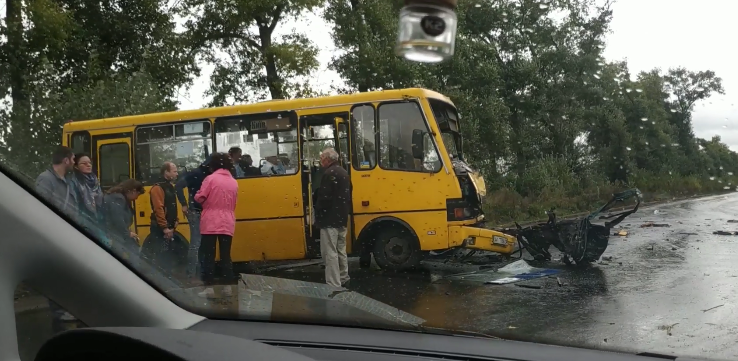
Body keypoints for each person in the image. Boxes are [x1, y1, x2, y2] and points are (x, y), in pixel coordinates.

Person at [34, 146, 79, 329]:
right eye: (73, 158)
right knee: (56, 274)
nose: (74, 162)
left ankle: (65, 307)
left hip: (68, 234)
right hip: (54, 234)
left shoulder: (67, 182)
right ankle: (58, 312)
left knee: (66, 273)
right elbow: (42, 207)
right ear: (66, 160)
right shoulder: (45, 179)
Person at [195, 153, 239, 298]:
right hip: (228, 221)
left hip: (211, 221)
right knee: (226, 255)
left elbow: (200, 196)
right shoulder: (233, 182)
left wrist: (198, 197)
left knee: (209, 255)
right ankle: (228, 287)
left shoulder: (210, 179)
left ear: (213, 165)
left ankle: (209, 288)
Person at [314, 148, 351, 288]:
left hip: (329, 219)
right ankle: (344, 277)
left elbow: (324, 198)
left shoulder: (329, 173)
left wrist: (318, 213)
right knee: (341, 249)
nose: (321, 161)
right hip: (341, 217)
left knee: (330, 252)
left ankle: (333, 283)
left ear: (328, 159)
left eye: (322, 158)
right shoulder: (343, 171)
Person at [175, 156, 212, 285]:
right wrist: (184, 204)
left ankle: (197, 273)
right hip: (195, 212)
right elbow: (178, 186)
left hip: (200, 211)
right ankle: (192, 275)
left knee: (199, 244)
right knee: (196, 244)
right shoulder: (196, 174)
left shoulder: (204, 174)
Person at [103, 179, 145, 264]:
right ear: (133, 191)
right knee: (132, 252)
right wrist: (127, 233)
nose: (137, 198)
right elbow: (117, 218)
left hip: (115, 233)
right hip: (115, 234)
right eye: (138, 194)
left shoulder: (117, 197)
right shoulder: (118, 198)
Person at [148, 162, 179, 269]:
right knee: (161, 255)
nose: (177, 174)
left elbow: (171, 206)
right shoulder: (158, 187)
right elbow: (158, 208)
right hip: (160, 229)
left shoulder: (169, 186)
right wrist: (165, 228)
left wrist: (175, 222)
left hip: (168, 227)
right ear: (166, 172)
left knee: (167, 255)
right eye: (174, 171)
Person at [71, 153, 106, 245]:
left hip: (97, 220)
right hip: (84, 221)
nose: (88, 165)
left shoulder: (94, 180)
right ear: (76, 167)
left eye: (89, 163)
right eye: (84, 163)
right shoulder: (74, 182)